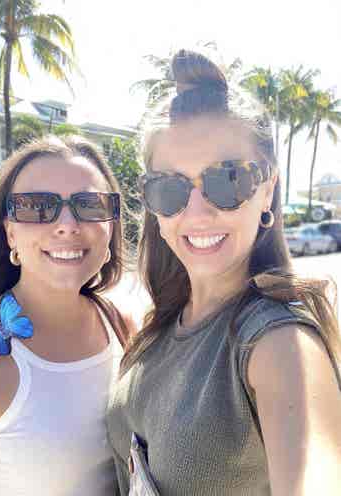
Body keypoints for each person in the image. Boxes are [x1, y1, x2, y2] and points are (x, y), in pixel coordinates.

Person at [106, 49, 341, 495]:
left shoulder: (278, 343)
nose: (197, 212)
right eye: (170, 187)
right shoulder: (162, 326)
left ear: (267, 187)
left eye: (227, 180)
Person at [0, 135, 132, 495]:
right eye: (37, 206)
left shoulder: (124, 328)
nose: (67, 225)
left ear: (112, 226)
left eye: (88, 205)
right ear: (10, 232)